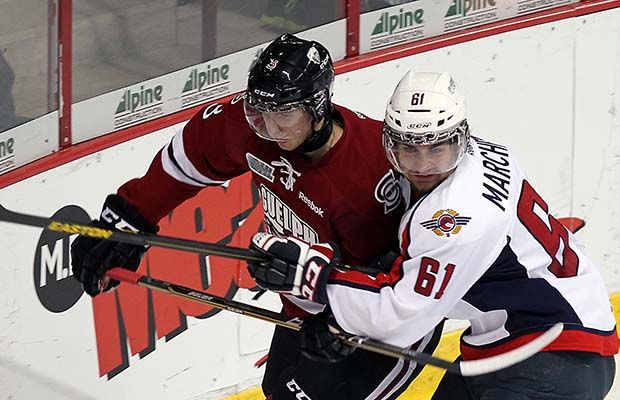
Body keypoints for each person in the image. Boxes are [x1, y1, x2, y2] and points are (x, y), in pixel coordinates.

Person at [70, 34, 442, 399]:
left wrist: (347, 323)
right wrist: (126, 219)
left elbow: (410, 276)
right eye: (259, 110)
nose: (269, 126)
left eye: (283, 113)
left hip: (386, 322)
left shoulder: (371, 174)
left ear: (317, 108)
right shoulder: (256, 129)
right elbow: (189, 157)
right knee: (278, 391)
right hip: (308, 307)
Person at [248, 70, 620, 399]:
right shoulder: (486, 154)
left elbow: (401, 316)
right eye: (409, 150)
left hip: (555, 356)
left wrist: (318, 279)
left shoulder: (456, 215)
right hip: (516, 343)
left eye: (436, 150)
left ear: (459, 139)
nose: (424, 165)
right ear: (390, 145)